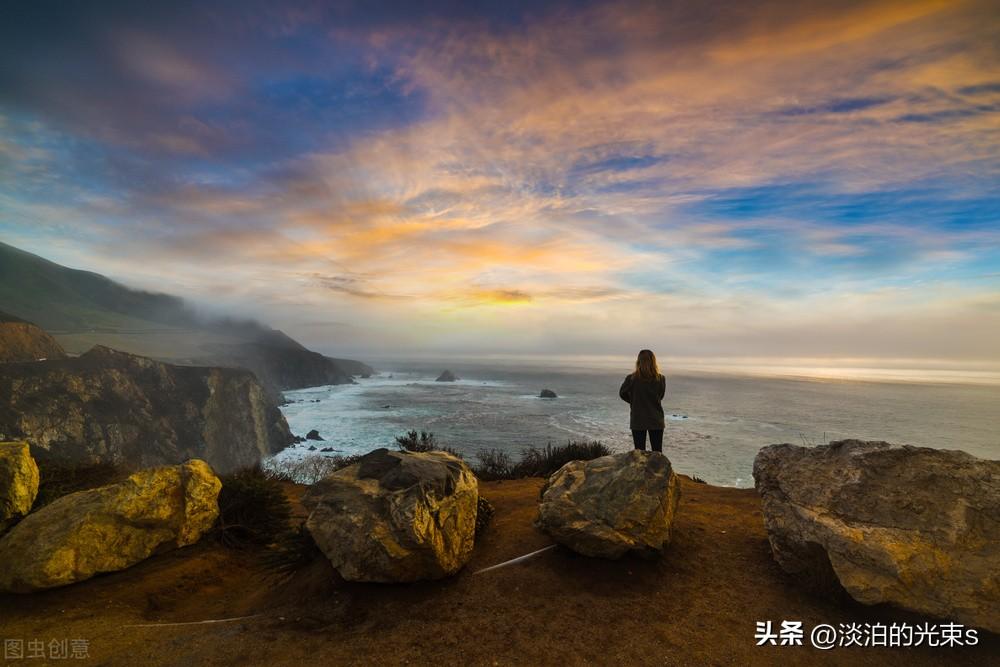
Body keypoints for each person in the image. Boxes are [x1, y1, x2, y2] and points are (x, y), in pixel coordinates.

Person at [619, 349, 666, 452]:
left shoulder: (631, 378)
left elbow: (622, 393)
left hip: (638, 419)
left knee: (639, 454)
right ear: (653, 361)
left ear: (638, 361)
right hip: (656, 419)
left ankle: (641, 469)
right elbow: (661, 396)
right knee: (657, 453)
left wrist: (633, 401)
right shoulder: (661, 379)